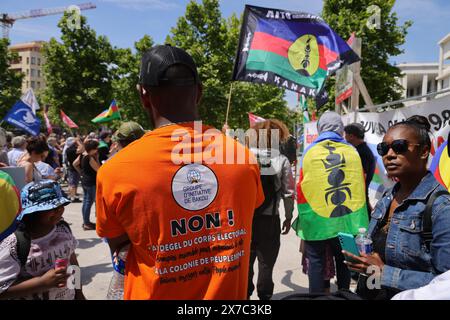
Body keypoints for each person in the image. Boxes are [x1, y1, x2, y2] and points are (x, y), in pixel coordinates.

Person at [96, 44, 264, 300]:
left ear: (143, 96)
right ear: (199, 93)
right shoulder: (242, 158)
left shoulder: (115, 171)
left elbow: (120, 244)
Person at [343, 116, 450, 300]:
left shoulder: (441, 208)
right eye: (383, 149)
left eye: (399, 146)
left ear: (424, 151)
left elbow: (444, 285)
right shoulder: (388, 195)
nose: (389, 154)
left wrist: (383, 272)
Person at [292, 111, 369, 294]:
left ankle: (317, 297)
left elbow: (302, 187)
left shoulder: (310, 151)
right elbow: (359, 184)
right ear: (341, 130)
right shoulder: (352, 151)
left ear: (320, 129)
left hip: (317, 220)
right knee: (344, 260)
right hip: (346, 220)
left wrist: (304, 217)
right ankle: (344, 294)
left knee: (316, 263)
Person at [0, 180, 85, 300]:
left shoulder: (63, 229)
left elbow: (73, 265)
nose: (59, 210)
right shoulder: (16, 244)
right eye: (52, 207)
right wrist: (41, 283)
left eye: (61, 205)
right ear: (32, 213)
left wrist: (79, 293)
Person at [247, 119, 295, 300]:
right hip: (270, 219)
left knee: (245, 263)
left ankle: (244, 296)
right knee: (266, 263)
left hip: (246, 220)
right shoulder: (281, 160)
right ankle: (265, 297)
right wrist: (288, 217)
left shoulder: (243, 156)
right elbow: (289, 192)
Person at [344, 123, 376, 215]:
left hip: (358, 196)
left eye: (346, 135)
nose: (344, 137)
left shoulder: (361, 152)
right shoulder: (361, 150)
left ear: (351, 136)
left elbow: (363, 176)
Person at [74, 140, 100, 231]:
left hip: (84, 180)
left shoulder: (82, 155)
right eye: (96, 148)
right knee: (89, 202)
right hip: (91, 182)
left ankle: (86, 221)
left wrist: (81, 172)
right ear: (91, 149)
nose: (97, 150)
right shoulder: (90, 157)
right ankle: (86, 223)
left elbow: (75, 164)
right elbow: (99, 170)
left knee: (86, 201)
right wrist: (97, 159)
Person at [64, 137, 83, 203]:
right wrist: (78, 141)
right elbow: (82, 149)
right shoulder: (72, 150)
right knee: (73, 184)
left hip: (71, 168)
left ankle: (72, 196)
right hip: (74, 168)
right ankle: (72, 197)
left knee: (72, 183)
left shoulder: (68, 149)